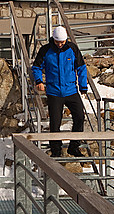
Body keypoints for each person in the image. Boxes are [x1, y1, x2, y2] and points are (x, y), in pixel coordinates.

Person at [31, 26, 89, 158]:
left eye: (62, 41)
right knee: (55, 123)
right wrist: (39, 81)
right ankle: (56, 150)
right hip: (54, 92)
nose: (60, 44)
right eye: (58, 42)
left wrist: (83, 86)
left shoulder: (72, 49)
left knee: (80, 116)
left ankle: (74, 147)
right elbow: (36, 67)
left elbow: (81, 68)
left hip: (71, 90)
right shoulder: (45, 50)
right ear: (54, 39)